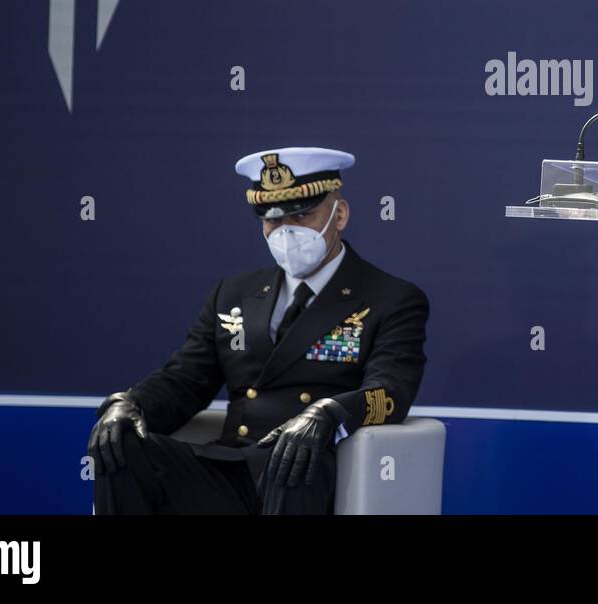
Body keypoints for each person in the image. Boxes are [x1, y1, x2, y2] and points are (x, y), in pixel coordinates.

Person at [87, 146, 430, 514]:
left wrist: (328, 414)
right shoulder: (234, 293)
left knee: (298, 460)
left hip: (306, 472)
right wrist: (131, 403)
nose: (285, 232)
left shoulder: (389, 298)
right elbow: (185, 380)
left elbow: (388, 392)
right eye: (272, 220)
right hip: (229, 466)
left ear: (339, 215)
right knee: (121, 444)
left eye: (301, 216)